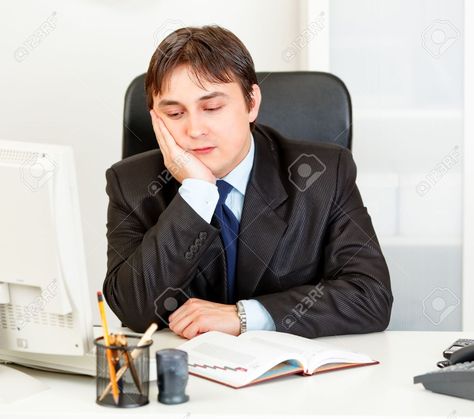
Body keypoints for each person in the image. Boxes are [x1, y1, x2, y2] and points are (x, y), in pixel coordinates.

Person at [103, 25, 393, 339]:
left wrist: (245, 316)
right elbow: (133, 309)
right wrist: (196, 193)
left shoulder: (324, 173)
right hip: (185, 374)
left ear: (251, 103)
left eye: (212, 108)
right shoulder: (130, 184)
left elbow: (369, 295)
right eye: (174, 113)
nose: (194, 129)